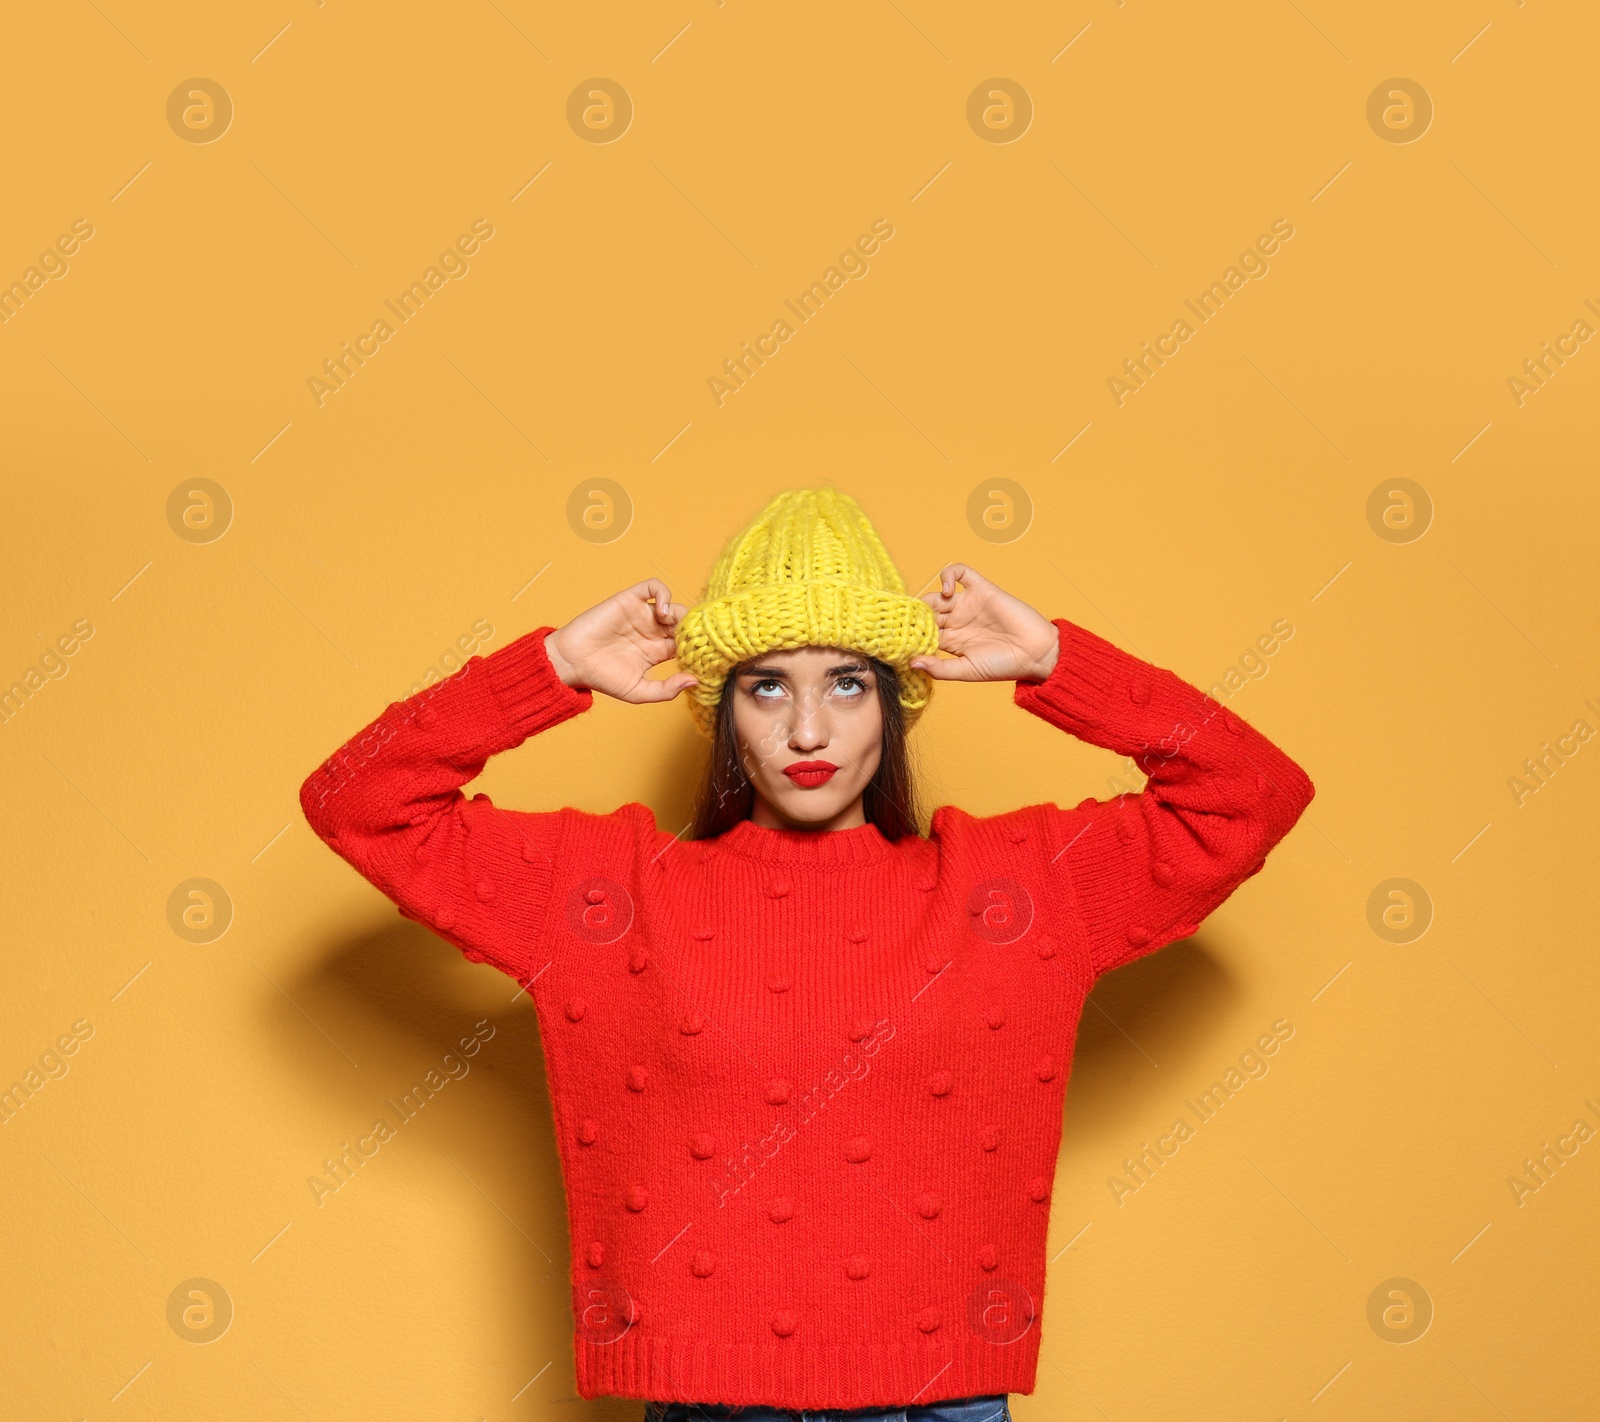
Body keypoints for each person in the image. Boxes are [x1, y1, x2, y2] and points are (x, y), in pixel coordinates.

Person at [300, 487, 1315, 1421]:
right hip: (706, 1407)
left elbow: (1250, 794)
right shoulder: (610, 897)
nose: (810, 728)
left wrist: (1057, 659)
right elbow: (357, 800)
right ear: (723, 714)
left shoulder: (1011, 889)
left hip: (940, 1405)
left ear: (893, 703)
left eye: (846, 682)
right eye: (767, 690)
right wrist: (550, 669)